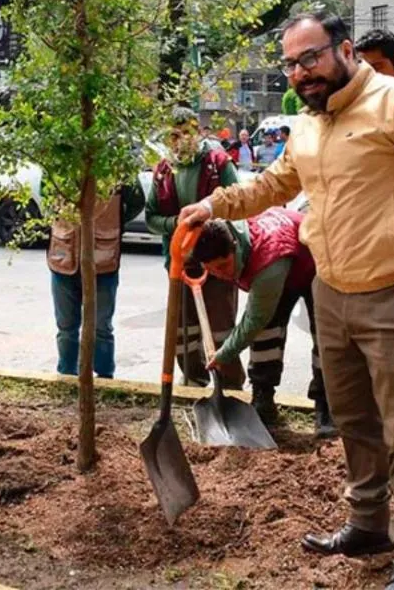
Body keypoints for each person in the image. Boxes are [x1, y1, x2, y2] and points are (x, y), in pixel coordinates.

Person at [178, 10, 394, 590]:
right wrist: (213, 207)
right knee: (353, 422)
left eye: (310, 57)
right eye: (290, 63)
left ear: (344, 50)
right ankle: (369, 523)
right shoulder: (308, 124)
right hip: (332, 295)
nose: (300, 72)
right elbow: (276, 184)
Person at [188, 208, 335, 436]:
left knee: (325, 337)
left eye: (223, 266)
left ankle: (326, 407)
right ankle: (263, 398)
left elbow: (255, 318)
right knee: (266, 334)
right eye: (211, 270)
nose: (221, 274)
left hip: (318, 264)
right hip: (284, 261)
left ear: (235, 248)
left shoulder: (267, 262)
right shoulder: (232, 235)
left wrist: (225, 353)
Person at [147, 106, 245, 389]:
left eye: (186, 132)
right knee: (182, 331)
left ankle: (230, 387)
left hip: (215, 263)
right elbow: (151, 216)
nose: (180, 140)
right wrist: (174, 224)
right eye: (174, 135)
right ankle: (192, 380)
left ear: (199, 131)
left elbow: (237, 206)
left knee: (220, 330)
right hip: (179, 264)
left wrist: (206, 225)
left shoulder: (218, 164)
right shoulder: (164, 171)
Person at [47, 182, 145, 378]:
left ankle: (104, 378)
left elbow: (137, 201)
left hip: (103, 259)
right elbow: (46, 197)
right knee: (66, 327)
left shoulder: (118, 164)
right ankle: (67, 376)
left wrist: (114, 220)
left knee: (101, 327)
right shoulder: (58, 157)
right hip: (64, 256)